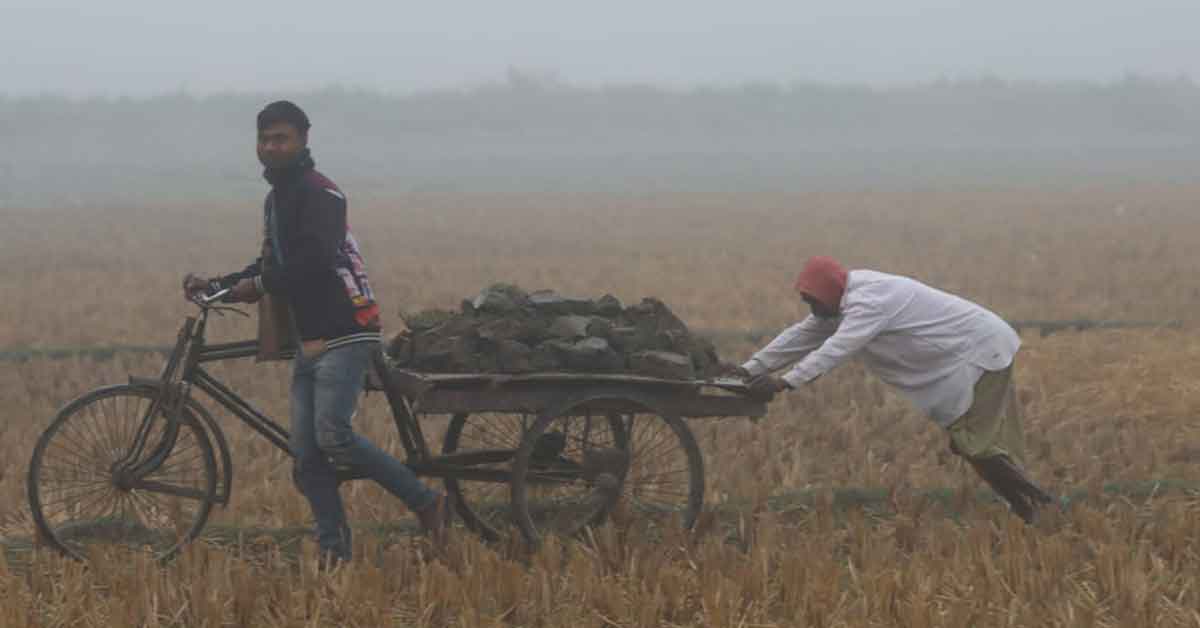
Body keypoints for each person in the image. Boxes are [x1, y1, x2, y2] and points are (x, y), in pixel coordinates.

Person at [183, 101, 450, 565]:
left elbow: (313, 260)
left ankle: (427, 503)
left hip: (346, 329)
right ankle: (335, 553)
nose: (271, 147)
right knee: (307, 458)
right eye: (265, 139)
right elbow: (272, 265)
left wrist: (260, 285)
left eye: (281, 138)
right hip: (309, 340)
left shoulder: (321, 193)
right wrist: (221, 285)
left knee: (334, 437)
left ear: (304, 139)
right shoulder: (278, 198)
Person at [733, 256, 1055, 523]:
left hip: (979, 352)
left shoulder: (869, 303)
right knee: (970, 444)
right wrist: (750, 369)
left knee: (974, 444)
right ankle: (1029, 507)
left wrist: (784, 381)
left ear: (828, 292)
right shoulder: (844, 297)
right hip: (967, 353)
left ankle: (1039, 504)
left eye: (812, 301)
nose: (812, 309)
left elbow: (837, 348)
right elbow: (801, 336)